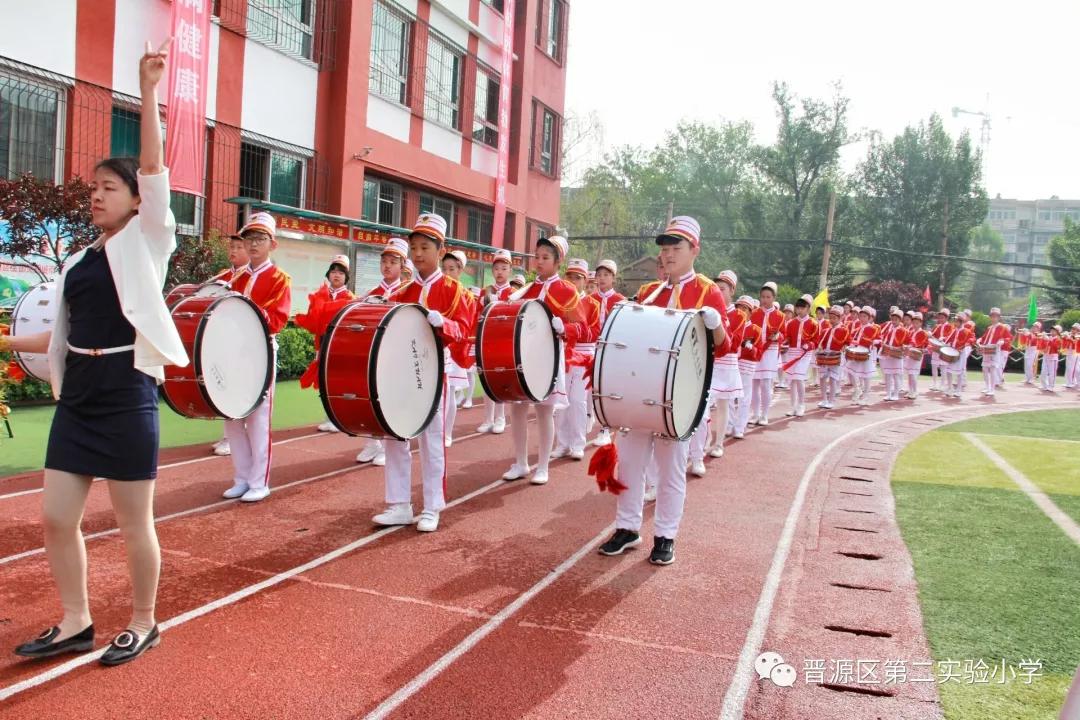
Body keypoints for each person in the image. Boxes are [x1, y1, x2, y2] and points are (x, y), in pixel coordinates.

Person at [7, 40, 186, 666]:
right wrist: (3, 338)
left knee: (135, 522)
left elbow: (157, 168)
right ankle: (76, 621)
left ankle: (144, 620)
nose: (96, 195)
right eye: (93, 188)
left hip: (125, 389)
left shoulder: (147, 242)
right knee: (57, 518)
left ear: (138, 199)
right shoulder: (82, 262)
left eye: (109, 187)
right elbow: (55, 337)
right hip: (79, 394)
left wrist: (148, 91)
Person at [597, 216, 726, 566]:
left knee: (670, 472)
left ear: (694, 250)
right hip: (642, 393)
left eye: (676, 248)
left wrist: (714, 326)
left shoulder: (708, 291)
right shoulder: (648, 292)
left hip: (679, 400)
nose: (668, 256)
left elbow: (724, 347)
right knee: (631, 468)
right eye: (665, 250)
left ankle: (666, 535)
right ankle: (627, 527)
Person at [373, 214, 473, 532]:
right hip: (402, 373)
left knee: (431, 441)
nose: (418, 254)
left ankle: (432, 506)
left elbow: (467, 333)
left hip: (434, 373)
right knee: (395, 434)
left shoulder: (456, 292)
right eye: (414, 247)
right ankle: (399, 503)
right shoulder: (401, 292)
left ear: (440, 250)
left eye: (425, 247)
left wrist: (446, 323)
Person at [501, 235, 585, 485]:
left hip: (549, 357)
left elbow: (580, 326)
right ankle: (520, 462)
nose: (539, 262)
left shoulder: (567, 290)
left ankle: (544, 466)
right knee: (517, 408)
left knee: (544, 411)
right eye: (537, 257)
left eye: (545, 258)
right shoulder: (527, 289)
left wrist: (564, 329)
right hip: (522, 358)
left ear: (558, 261)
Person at [221, 211, 292, 503]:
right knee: (232, 417)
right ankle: (241, 477)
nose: (253, 245)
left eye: (260, 239)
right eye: (250, 238)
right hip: (234, 352)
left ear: (272, 244)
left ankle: (259, 481)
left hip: (261, 351)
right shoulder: (235, 277)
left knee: (259, 419)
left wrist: (247, 312)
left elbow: (278, 319)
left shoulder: (279, 279)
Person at [354, 238, 409, 465]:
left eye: (393, 261)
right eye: (384, 261)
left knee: (390, 399)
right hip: (373, 354)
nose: (387, 265)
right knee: (370, 398)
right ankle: (372, 442)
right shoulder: (372, 292)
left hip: (396, 355)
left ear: (402, 265)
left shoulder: (407, 291)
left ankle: (388, 444)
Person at [296, 255, 356, 433]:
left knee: (337, 381)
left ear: (346, 276)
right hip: (322, 342)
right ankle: (328, 416)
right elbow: (314, 319)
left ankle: (338, 417)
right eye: (333, 272)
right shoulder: (320, 295)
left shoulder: (350, 297)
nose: (336, 275)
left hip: (340, 344)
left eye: (340, 272)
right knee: (323, 380)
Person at [687, 270, 740, 472]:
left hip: (726, 362)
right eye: (716, 287)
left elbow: (731, 341)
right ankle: (700, 447)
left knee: (723, 405)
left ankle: (718, 444)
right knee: (701, 409)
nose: (718, 291)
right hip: (705, 363)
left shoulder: (738, 314)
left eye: (723, 288)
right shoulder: (704, 310)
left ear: (732, 291)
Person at [552, 258, 601, 461]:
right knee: (560, 401)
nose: (573, 281)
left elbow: (593, 333)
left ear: (584, 280)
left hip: (582, 356)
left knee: (578, 401)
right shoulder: (559, 301)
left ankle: (578, 443)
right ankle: (562, 443)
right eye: (570, 276)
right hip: (562, 355)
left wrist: (568, 330)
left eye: (578, 278)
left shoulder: (592, 304)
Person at [207, 234, 250, 457]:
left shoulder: (249, 276)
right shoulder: (224, 276)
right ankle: (229, 435)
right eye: (231, 247)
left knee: (238, 390)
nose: (233, 251)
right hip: (225, 341)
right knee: (224, 387)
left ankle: (233, 438)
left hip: (244, 343)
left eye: (238, 247)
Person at [476, 248, 516, 435]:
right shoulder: (486, 291)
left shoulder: (514, 292)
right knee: (486, 379)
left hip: (505, 341)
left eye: (504, 268)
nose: (500, 272)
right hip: (487, 341)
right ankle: (487, 418)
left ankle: (500, 418)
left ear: (509, 270)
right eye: (497, 268)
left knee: (500, 380)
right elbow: (477, 315)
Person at [439, 250, 475, 446]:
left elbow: (465, 323)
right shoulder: (437, 289)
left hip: (455, 347)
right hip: (439, 345)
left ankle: (448, 432)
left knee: (451, 390)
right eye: (444, 268)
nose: (447, 272)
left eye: (451, 269)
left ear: (460, 270)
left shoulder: (465, 294)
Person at [589, 259, 625, 447]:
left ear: (613, 278)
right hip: (593, 348)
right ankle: (591, 418)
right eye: (599, 274)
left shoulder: (620, 301)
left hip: (611, 350)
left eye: (606, 275)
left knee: (607, 388)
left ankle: (605, 428)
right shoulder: (590, 299)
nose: (602, 278)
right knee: (592, 387)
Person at [749, 282, 784, 425]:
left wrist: (778, 337)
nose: (765, 300)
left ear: (774, 297)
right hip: (756, 349)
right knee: (754, 383)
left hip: (770, 350)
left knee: (766, 383)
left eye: (768, 297)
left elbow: (785, 334)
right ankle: (755, 413)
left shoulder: (780, 316)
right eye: (763, 296)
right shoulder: (754, 313)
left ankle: (764, 414)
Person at [781, 294, 818, 416]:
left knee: (799, 378)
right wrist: (783, 341)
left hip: (805, 354)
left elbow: (816, 341)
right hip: (792, 352)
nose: (800, 310)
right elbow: (788, 337)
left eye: (803, 307)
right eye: (798, 307)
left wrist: (809, 345)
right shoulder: (791, 323)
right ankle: (793, 406)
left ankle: (801, 405)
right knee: (792, 380)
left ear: (808, 308)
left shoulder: (813, 323)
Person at [732, 296, 762, 437]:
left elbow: (759, 352)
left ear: (751, 312)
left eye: (744, 309)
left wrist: (751, 348)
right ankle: (728, 424)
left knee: (744, 397)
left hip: (747, 365)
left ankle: (740, 427)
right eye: (738, 308)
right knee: (729, 396)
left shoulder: (756, 330)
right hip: (731, 363)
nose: (741, 311)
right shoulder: (731, 325)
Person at [815, 305, 849, 409]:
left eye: (834, 318)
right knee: (822, 378)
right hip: (825, 357)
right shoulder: (826, 331)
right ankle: (824, 399)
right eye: (831, 318)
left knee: (833, 379)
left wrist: (844, 347)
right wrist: (820, 348)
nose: (832, 320)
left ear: (839, 318)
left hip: (836, 357)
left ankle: (831, 400)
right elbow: (820, 343)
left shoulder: (844, 330)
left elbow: (847, 342)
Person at [848, 306, 879, 406]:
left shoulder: (873, 328)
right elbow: (852, 339)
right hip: (856, 353)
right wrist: (851, 345)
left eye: (864, 316)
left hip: (866, 354)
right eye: (860, 316)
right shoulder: (857, 329)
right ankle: (857, 389)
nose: (862, 318)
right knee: (849, 371)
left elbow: (877, 340)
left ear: (869, 317)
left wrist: (873, 342)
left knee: (866, 376)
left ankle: (866, 396)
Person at [977, 307, 1010, 397]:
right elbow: (984, 338)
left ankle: (992, 389)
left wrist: (1002, 341)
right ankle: (987, 387)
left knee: (992, 369)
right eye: (992, 316)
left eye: (995, 316)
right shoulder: (989, 328)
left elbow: (1008, 338)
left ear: (998, 317)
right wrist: (979, 340)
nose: (993, 318)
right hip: (986, 349)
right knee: (984, 368)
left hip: (995, 350)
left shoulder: (1002, 327)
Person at [878, 307, 908, 402]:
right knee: (887, 375)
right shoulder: (889, 330)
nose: (894, 321)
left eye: (896, 320)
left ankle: (896, 394)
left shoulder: (903, 331)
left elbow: (906, 343)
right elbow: (885, 340)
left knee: (896, 375)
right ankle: (888, 394)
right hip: (888, 355)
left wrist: (902, 347)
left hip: (896, 355)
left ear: (900, 320)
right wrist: (883, 344)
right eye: (892, 319)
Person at [943, 314, 973, 398]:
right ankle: (950, 388)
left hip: (961, 353)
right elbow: (948, 339)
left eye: (957, 321)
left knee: (959, 372)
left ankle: (959, 390)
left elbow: (972, 338)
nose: (955, 323)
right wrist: (943, 340)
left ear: (961, 322)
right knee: (948, 370)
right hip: (952, 352)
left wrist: (967, 343)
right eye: (955, 321)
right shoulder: (954, 330)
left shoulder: (967, 331)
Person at [903, 311, 928, 399]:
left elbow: (920, 344)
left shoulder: (923, 333)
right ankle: (910, 390)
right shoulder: (911, 332)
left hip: (916, 355)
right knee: (909, 374)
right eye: (913, 322)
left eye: (917, 323)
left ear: (921, 323)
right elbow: (907, 341)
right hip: (910, 355)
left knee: (913, 374)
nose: (915, 324)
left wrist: (910, 346)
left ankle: (915, 391)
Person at [928, 309, 952, 392]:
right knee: (934, 365)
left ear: (946, 318)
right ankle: (934, 383)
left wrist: (944, 338)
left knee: (943, 367)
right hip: (936, 348)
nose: (940, 319)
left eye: (942, 317)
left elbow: (951, 336)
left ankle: (942, 384)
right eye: (939, 317)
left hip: (944, 349)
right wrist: (930, 335)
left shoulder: (950, 326)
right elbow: (932, 335)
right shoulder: (936, 326)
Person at [1041, 326, 1062, 392]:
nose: (1052, 331)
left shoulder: (1058, 339)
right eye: (1051, 330)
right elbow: (1042, 347)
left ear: (1058, 332)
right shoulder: (1049, 338)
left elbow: (1056, 348)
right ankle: (1044, 385)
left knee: (1052, 373)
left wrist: (1049, 340)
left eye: (1054, 330)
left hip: (1053, 358)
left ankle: (1051, 386)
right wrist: (1043, 339)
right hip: (1046, 356)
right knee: (1043, 372)